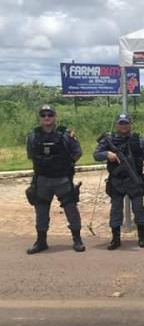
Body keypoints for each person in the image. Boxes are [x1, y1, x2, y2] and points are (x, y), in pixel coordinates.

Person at [25, 104, 85, 254]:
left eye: (50, 115)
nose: (47, 118)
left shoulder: (66, 134)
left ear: (55, 117)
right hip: (42, 179)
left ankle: (77, 239)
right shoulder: (33, 136)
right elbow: (31, 155)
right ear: (40, 117)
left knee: (71, 209)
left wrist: (66, 165)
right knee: (41, 211)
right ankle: (41, 241)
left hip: (62, 179)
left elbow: (78, 152)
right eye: (43, 115)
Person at [94, 113, 144, 250]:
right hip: (117, 181)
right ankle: (115, 239)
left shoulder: (139, 139)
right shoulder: (108, 139)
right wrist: (107, 154)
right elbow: (96, 155)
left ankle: (142, 237)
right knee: (116, 209)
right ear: (116, 124)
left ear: (130, 124)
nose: (123, 126)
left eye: (126, 123)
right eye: (121, 123)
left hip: (135, 180)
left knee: (139, 209)